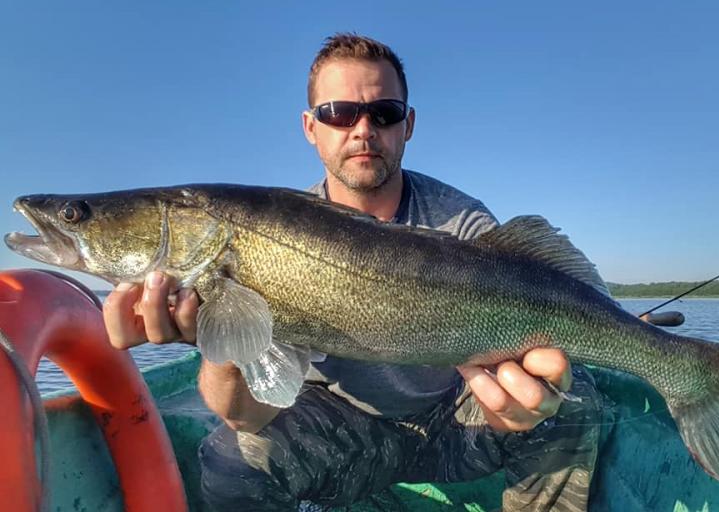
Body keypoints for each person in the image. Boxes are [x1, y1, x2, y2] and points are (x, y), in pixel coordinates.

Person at [103, 34, 602, 511]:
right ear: (310, 127)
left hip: (460, 422)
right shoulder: (269, 233)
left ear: (407, 125)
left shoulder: (462, 224)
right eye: (338, 113)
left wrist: (519, 398)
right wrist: (224, 334)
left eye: (384, 113)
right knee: (233, 464)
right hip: (349, 432)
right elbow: (245, 416)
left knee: (571, 400)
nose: (363, 129)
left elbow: (543, 311)